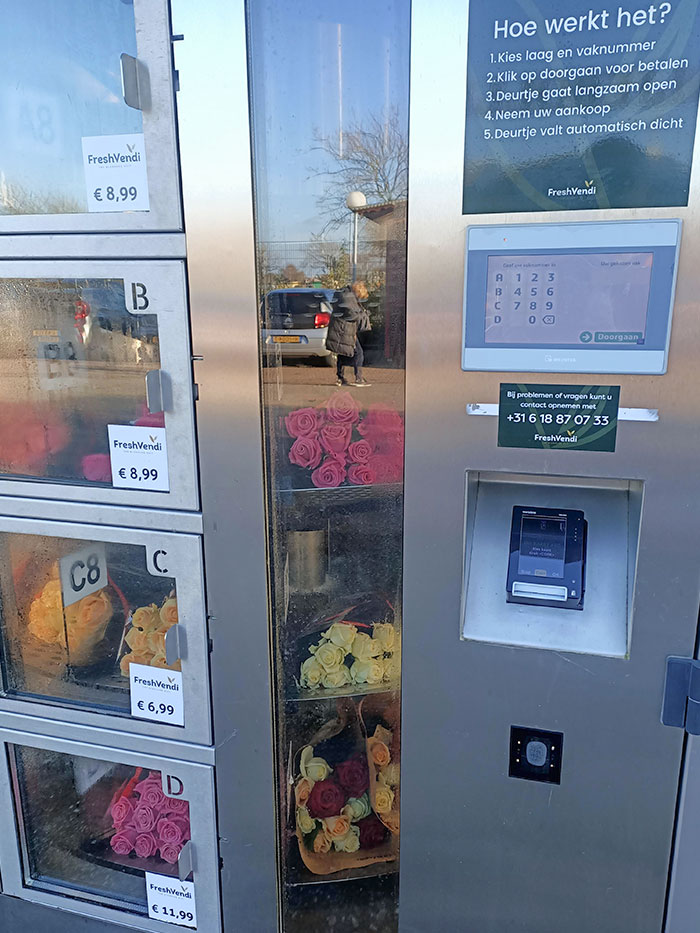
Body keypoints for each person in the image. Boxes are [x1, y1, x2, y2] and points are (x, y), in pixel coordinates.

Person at [325, 282, 372, 387]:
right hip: (344, 329)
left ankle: (341, 378)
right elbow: (351, 313)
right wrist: (363, 315)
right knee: (358, 353)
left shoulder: (344, 294)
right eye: (360, 297)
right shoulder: (348, 296)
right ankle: (358, 378)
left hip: (341, 328)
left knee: (342, 353)